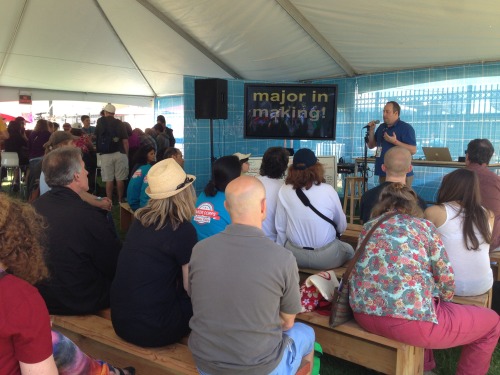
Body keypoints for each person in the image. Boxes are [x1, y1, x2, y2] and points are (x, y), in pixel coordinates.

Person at [349, 183, 500, 375]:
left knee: (426, 300)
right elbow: (446, 279)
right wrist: (445, 297)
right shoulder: (425, 227)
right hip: (411, 323)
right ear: (414, 205)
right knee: (492, 323)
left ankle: (425, 367)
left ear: (381, 204)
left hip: (363, 313)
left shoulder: (369, 227)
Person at [189, 176, 315, 375]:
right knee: (307, 333)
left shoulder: (199, 250)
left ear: (226, 207)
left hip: (205, 363)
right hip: (260, 367)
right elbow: (288, 322)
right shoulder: (283, 258)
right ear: (263, 206)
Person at [0, 195, 134, 375]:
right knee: (56, 344)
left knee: (56, 343)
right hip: (82, 302)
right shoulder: (19, 298)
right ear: (14, 238)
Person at [111, 159, 197, 347]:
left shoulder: (139, 222)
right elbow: (190, 287)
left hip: (120, 320)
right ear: (186, 193)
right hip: (155, 329)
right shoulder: (182, 229)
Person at [33, 147, 121, 314]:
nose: (87, 172)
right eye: (84, 167)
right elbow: (115, 265)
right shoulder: (90, 216)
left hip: (41, 297)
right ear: (76, 176)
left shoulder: (32, 209)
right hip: (80, 301)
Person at [275, 148, 354, 269]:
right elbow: (342, 226)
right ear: (316, 168)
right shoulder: (328, 190)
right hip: (326, 257)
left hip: (295, 255)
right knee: (350, 250)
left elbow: (280, 227)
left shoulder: (284, 190)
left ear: (292, 169)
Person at [424, 169, 493, 296]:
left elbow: (424, 250)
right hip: (483, 283)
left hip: (450, 286)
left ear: (449, 187)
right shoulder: (488, 214)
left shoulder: (435, 212)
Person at [38, 131, 112, 211]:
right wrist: (100, 203)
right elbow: (78, 193)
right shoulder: (60, 167)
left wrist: (99, 199)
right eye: (72, 142)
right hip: (60, 209)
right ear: (62, 145)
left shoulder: (57, 163)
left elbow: (79, 191)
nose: (75, 145)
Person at [360, 146, 427, 223]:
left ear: (383, 168)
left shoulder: (367, 196)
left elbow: (364, 224)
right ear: (410, 169)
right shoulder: (418, 202)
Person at [366, 101, 417, 186]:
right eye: (383, 111)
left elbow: (413, 150)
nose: (384, 114)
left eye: (387, 112)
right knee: (385, 198)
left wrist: (395, 142)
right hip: (383, 171)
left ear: (396, 113)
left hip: (401, 174)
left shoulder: (406, 128)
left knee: (401, 198)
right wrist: (371, 131)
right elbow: (371, 145)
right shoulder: (381, 127)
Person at [192, 155, 241, 240]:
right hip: (219, 249)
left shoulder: (204, 194)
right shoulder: (232, 200)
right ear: (235, 177)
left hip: (197, 247)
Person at [465, 138, 500, 251]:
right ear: (489, 159)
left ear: (467, 156)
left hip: (458, 239)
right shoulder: (496, 180)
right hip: (491, 240)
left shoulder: (449, 179)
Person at [95, 103, 129, 203]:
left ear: (105, 112)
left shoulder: (100, 122)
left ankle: (109, 200)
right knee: (120, 178)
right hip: (119, 153)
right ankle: (120, 199)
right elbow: (125, 141)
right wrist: (126, 155)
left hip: (105, 154)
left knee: (108, 179)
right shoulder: (120, 123)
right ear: (114, 113)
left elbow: (96, 136)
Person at [256, 147, 289, 241]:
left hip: (252, 240)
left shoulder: (252, 184)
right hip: (274, 242)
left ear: (263, 162)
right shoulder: (284, 189)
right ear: (284, 167)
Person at [126, 144, 156, 211]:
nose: (154, 155)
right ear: (145, 155)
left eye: (154, 153)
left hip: (131, 200)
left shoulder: (138, 166)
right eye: (151, 154)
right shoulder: (148, 168)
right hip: (137, 204)